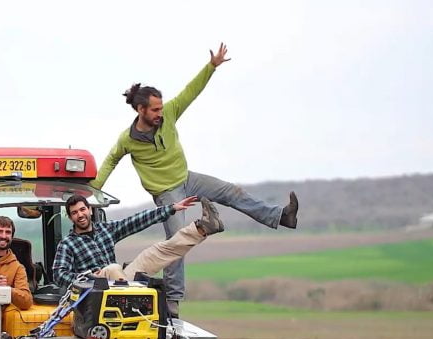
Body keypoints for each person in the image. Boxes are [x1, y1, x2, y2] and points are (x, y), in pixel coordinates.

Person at [90, 44, 299, 316]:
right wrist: (92, 190)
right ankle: (173, 299)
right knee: (177, 239)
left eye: (161, 108)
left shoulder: (170, 114)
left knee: (232, 192)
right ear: (140, 110)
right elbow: (110, 161)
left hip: (188, 179)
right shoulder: (127, 139)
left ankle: (280, 216)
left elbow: (192, 91)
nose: (160, 113)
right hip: (167, 193)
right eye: (154, 110)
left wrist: (211, 66)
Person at [52, 195, 224, 316]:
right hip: (93, 292)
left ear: (89, 210)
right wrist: (87, 277)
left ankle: (202, 228)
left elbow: (136, 221)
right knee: (113, 268)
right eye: (74, 213)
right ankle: (129, 305)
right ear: (70, 217)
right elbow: (59, 275)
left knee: (156, 251)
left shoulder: (106, 230)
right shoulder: (67, 244)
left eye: (82, 209)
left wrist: (171, 209)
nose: (80, 215)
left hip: (120, 281)